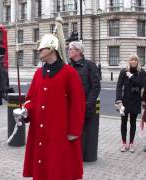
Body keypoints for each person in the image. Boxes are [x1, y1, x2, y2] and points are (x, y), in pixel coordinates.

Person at [13, 34, 86, 180]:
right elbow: (32, 99)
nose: (39, 51)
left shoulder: (69, 73)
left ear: (52, 49)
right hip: (40, 129)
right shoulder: (39, 73)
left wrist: (73, 130)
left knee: (58, 169)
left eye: (42, 49)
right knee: (42, 169)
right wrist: (26, 110)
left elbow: (78, 104)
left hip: (59, 131)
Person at [68, 41, 101, 160]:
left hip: (84, 107)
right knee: (71, 132)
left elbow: (95, 87)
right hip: (70, 107)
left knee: (84, 133)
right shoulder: (68, 66)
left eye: (70, 49)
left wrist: (87, 104)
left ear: (78, 51)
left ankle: (82, 157)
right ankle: (73, 156)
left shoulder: (90, 65)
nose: (68, 51)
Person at [115, 54, 146, 152]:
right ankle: (124, 144)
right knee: (123, 122)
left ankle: (131, 144)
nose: (133, 61)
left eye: (135, 60)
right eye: (132, 60)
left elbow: (141, 84)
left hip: (135, 101)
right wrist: (118, 100)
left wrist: (131, 76)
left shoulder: (141, 72)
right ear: (129, 61)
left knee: (133, 123)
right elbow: (119, 87)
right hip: (124, 101)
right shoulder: (123, 72)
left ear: (138, 61)